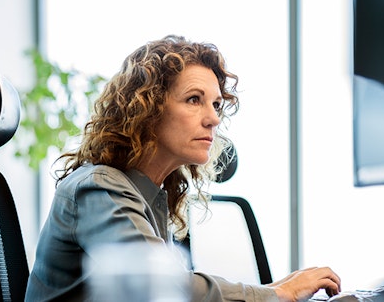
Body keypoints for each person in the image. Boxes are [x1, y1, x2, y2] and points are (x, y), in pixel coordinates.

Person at [25, 35, 341, 302]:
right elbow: (165, 284)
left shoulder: (151, 191)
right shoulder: (99, 187)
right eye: (193, 99)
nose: (214, 118)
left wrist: (276, 289)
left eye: (215, 104)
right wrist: (276, 295)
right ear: (146, 109)